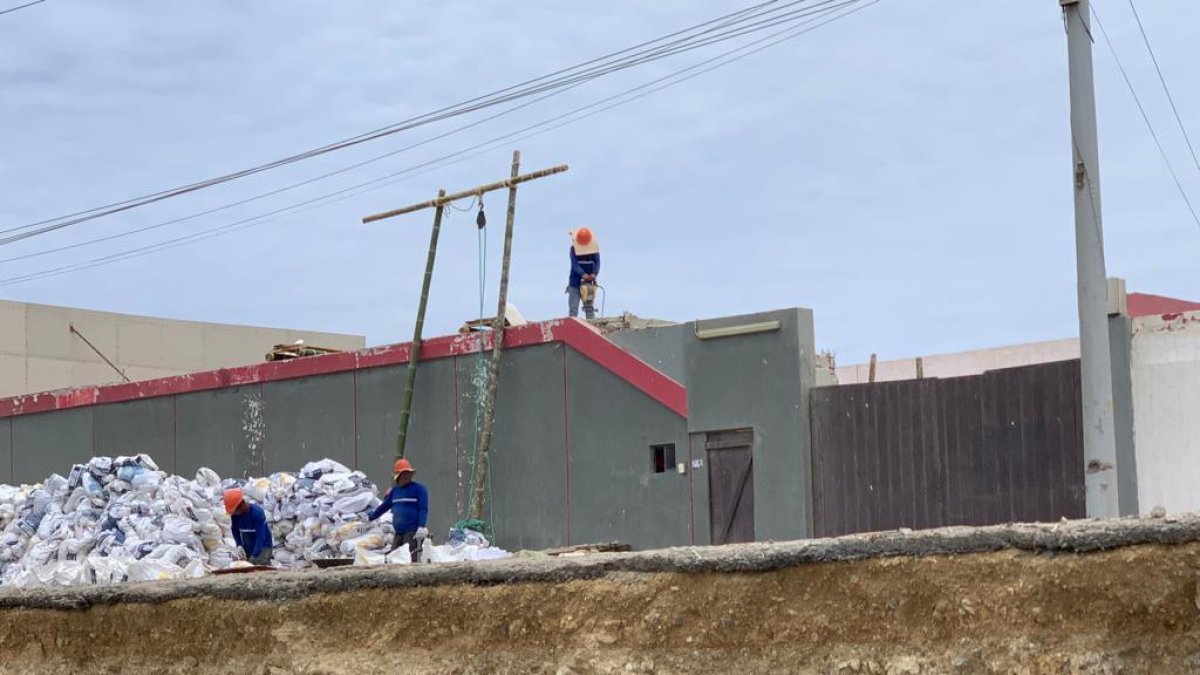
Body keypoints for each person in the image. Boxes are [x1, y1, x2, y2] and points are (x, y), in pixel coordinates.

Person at [369, 458, 429, 563]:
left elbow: (423, 509)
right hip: (398, 532)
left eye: (407, 474)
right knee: (394, 557)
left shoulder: (419, 489)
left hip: (411, 532)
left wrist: (421, 526)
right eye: (403, 474)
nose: (405, 477)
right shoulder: (395, 491)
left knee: (409, 559)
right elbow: (384, 506)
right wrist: (371, 517)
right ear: (397, 476)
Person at [224, 488, 274, 566]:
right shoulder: (235, 515)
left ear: (243, 504)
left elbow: (260, 537)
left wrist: (254, 556)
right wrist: (239, 544)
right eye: (235, 512)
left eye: (237, 511)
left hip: (263, 547)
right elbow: (235, 530)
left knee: (259, 567)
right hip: (248, 546)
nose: (236, 514)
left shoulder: (257, 513)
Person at [567, 227, 600, 319]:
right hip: (575, 283)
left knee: (589, 309)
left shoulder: (594, 250)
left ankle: (592, 328)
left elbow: (597, 263)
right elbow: (575, 265)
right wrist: (583, 274)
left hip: (588, 284)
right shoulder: (573, 249)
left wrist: (594, 274)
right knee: (573, 310)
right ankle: (572, 330)